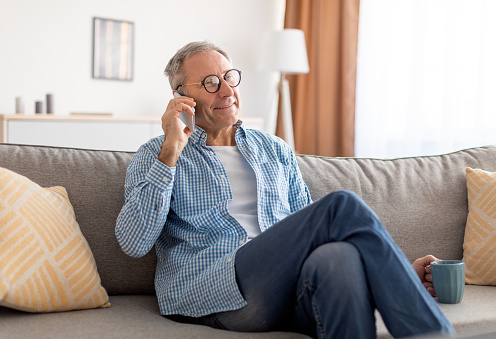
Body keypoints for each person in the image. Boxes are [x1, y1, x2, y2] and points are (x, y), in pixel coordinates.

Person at [115, 41, 454, 338]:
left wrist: (388, 267)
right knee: (340, 206)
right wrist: (172, 148)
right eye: (210, 82)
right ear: (180, 98)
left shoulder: (273, 148)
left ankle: (398, 286)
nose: (227, 90)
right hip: (214, 289)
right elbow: (134, 242)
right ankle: (428, 332)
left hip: (286, 287)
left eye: (229, 77)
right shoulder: (158, 155)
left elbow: (310, 232)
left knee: (339, 255)